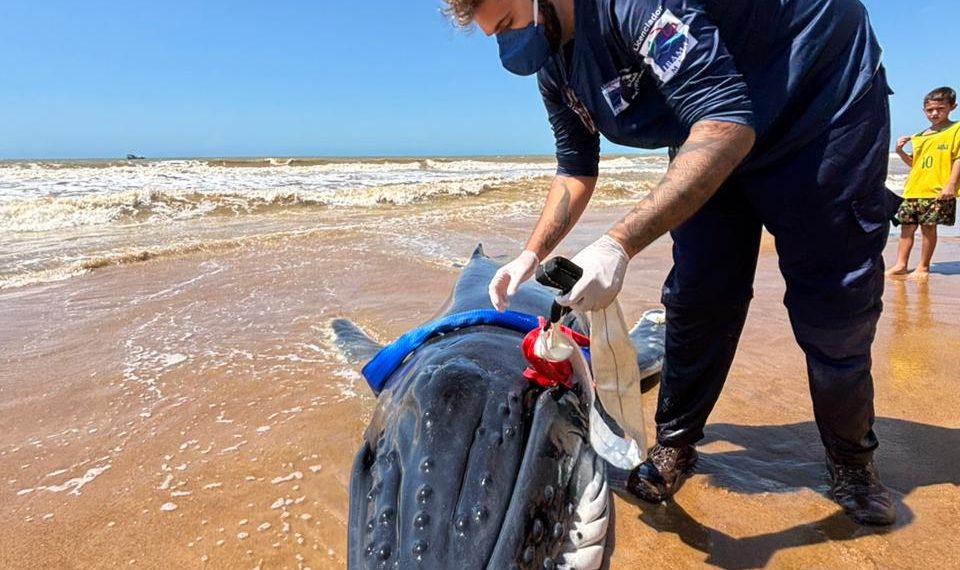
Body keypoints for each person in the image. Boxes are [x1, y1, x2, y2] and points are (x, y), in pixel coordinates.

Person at [444, 0, 903, 525]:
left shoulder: (632, 6)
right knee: (698, 295)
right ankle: (676, 441)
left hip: (817, 104)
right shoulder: (556, 67)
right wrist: (531, 253)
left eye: (508, 24)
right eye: (496, 36)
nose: (510, 46)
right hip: (709, 125)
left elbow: (728, 121)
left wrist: (618, 244)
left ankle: (851, 459)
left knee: (832, 303)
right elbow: (575, 167)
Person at [887, 87, 960, 280]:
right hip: (913, 189)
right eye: (930, 110)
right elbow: (915, 164)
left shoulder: (956, 129)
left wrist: (951, 184)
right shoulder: (920, 136)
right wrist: (900, 151)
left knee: (928, 227)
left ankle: (923, 266)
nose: (934, 113)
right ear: (924, 110)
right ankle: (901, 264)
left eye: (940, 109)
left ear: (952, 107)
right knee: (907, 227)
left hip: (937, 190)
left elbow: (958, 158)